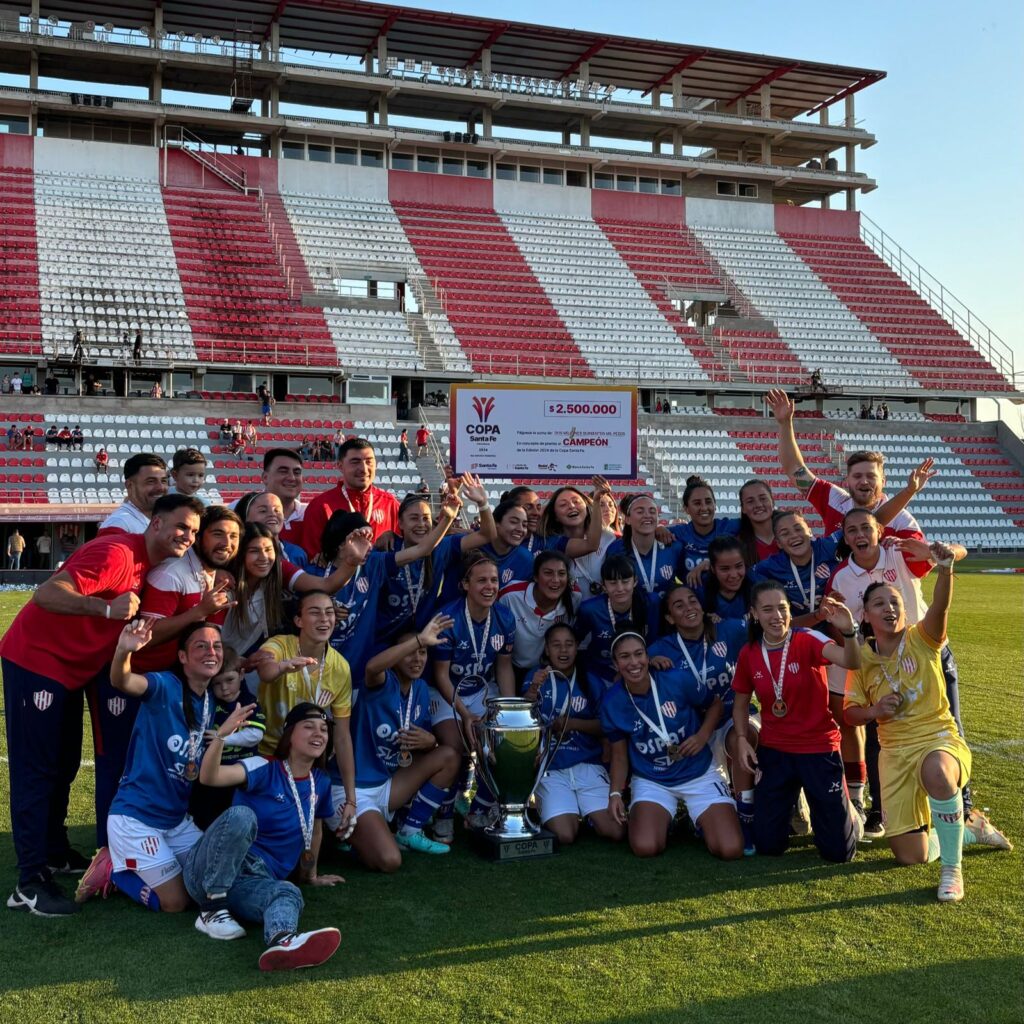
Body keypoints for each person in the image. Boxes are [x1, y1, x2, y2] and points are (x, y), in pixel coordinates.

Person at [2, 495, 202, 916]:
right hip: (37, 660)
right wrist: (104, 607)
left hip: (70, 670)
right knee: (36, 769)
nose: (188, 536)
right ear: (156, 523)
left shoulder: (147, 564)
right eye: (182, 526)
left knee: (63, 763)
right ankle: (30, 881)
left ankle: (53, 851)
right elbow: (47, 593)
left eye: (195, 531)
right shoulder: (117, 552)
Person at [845, 555, 1005, 903]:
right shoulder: (862, 660)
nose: (890, 607)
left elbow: (940, 606)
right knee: (910, 855)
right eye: (879, 603)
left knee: (938, 772)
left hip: (938, 738)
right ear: (866, 617)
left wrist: (946, 568)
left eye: (895, 602)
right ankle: (968, 831)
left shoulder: (923, 638)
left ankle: (952, 871)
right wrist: (874, 710)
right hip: (894, 753)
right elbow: (851, 715)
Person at [74, 620, 223, 915]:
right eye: (201, 646)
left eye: (216, 646)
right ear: (182, 657)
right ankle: (116, 871)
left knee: (210, 883)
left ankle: (132, 862)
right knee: (176, 902)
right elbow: (123, 680)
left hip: (176, 820)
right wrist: (123, 652)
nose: (211, 652)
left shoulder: (209, 699)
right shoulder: (165, 686)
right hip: (136, 819)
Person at [185, 702, 343, 970]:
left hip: (252, 881)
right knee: (242, 816)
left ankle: (283, 942)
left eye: (324, 729)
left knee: (287, 891)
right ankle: (211, 910)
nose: (319, 734)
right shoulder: (264, 767)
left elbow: (315, 830)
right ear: (289, 734)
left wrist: (311, 875)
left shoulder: (322, 782)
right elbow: (210, 777)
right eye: (309, 727)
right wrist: (223, 734)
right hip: (212, 866)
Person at [731, 582, 864, 862]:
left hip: (818, 748)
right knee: (768, 845)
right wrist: (742, 739)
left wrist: (849, 631)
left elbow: (852, 662)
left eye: (782, 608)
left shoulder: (807, 639)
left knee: (838, 853)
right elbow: (741, 702)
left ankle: (848, 812)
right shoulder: (750, 653)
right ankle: (803, 805)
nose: (776, 616)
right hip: (776, 751)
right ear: (755, 614)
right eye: (767, 610)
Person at [601, 632, 744, 860]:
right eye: (625, 657)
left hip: (698, 772)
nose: (634, 662)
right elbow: (619, 756)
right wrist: (615, 793)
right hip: (652, 779)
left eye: (639, 654)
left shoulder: (676, 678)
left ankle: (697, 822)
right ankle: (664, 820)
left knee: (730, 849)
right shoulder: (611, 702)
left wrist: (701, 735)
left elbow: (715, 704)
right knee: (645, 847)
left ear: (648, 657)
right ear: (615, 664)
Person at [350, 615, 462, 868]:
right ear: (396, 655)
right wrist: (419, 639)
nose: (417, 658)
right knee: (390, 860)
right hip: (356, 789)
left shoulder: (421, 689)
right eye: (411, 652)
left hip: (389, 784)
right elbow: (372, 668)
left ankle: (410, 831)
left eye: (422, 652)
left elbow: (416, 742)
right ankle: (355, 832)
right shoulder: (381, 681)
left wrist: (430, 740)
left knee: (448, 755)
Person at [648, 584, 753, 851]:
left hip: (731, 716)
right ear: (670, 618)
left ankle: (746, 811)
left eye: (692, 601)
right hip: (692, 730)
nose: (689, 608)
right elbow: (627, 673)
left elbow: (773, 625)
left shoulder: (728, 630)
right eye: (679, 605)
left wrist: (819, 617)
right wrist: (648, 664)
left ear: (703, 606)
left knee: (744, 736)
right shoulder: (661, 648)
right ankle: (696, 816)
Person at [255, 591, 357, 844]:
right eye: (314, 612)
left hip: (307, 764)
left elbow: (342, 737)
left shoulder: (340, 667)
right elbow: (265, 671)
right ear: (299, 621)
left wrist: (351, 798)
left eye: (329, 612)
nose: (324, 618)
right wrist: (282, 666)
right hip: (267, 756)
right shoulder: (280, 644)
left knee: (310, 838)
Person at [767, 388, 934, 538]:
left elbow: (924, 559)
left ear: (883, 481)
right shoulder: (834, 499)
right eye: (857, 476)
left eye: (871, 476)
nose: (864, 481)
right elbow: (794, 469)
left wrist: (956, 550)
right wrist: (785, 424)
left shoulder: (902, 520)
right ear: (847, 480)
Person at [431, 552, 517, 835]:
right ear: (465, 584)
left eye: (493, 580)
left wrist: (509, 710)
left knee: (504, 741)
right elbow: (441, 675)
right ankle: (443, 812)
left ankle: (479, 809)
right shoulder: (449, 618)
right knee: (455, 745)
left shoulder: (504, 616)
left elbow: (504, 667)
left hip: (481, 689)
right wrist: (464, 714)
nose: (489, 586)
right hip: (446, 692)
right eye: (481, 581)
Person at [520, 624, 624, 846]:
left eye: (569, 644)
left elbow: (605, 725)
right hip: (552, 768)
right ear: (546, 650)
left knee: (615, 831)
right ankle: (569, 810)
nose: (563, 651)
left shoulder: (591, 681)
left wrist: (573, 724)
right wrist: (531, 692)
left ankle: (589, 815)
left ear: (577, 648)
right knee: (565, 835)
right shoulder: (535, 677)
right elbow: (520, 724)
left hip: (587, 764)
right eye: (556, 645)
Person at [376, 477, 495, 644]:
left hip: (425, 640)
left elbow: (487, 535)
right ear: (400, 523)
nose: (421, 524)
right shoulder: (387, 548)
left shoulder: (441, 547)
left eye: (426, 518)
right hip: (384, 639)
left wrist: (482, 502)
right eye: (414, 518)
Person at [133, 505, 242, 673]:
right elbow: (146, 636)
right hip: (141, 676)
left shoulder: (216, 575)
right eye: (217, 534)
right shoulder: (170, 574)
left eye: (233, 536)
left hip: (177, 675)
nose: (227, 543)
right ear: (197, 538)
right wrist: (199, 611)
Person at [188, 645, 267, 829]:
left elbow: (255, 734)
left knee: (235, 823)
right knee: (205, 821)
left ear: (241, 674)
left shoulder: (249, 701)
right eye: (217, 683)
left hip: (239, 777)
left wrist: (221, 737)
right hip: (210, 775)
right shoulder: (210, 702)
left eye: (229, 680)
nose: (224, 688)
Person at [301, 437, 400, 554]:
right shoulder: (320, 506)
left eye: (369, 461)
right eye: (355, 462)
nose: (364, 469)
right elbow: (312, 558)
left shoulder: (390, 503)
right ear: (340, 466)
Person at [574, 554, 660, 685]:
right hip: (602, 671)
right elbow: (575, 643)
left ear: (635, 581)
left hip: (641, 666)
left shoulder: (650, 603)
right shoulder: (590, 610)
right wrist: (611, 675)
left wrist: (652, 658)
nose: (620, 589)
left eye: (625, 582)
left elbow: (655, 639)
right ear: (603, 585)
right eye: (613, 583)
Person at [500, 550, 580, 676]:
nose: (556, 580)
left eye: (561, 573)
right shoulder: (511, 595)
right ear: (535, 577)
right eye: (548, 573)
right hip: (510, 668)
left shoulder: (574, 597)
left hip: (549, 671)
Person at [536, 476, 616, 596]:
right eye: (563, 505)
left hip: (599, 613)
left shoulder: (609, 539)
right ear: (555, 516)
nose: (572, 506)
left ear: (586, 506)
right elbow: (591, 545)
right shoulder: (550, 543)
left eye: (576, 501)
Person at [668, 476, 741, 585]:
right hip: (692, 598)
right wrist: (659, 530)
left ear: (715, 505)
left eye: (708, 502)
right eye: (697, 503)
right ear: (686, 509)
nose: (704, 507)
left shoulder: (729, 526)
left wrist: (711, 563)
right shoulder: (680, 532)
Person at [605, 494, 684, 595]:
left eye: (652, 511)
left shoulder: (673, 547)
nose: (647, 515)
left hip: (666, 610)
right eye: (640, 511)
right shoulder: (615, 550)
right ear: (628, 519)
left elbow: (687, 583)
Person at [97, 453, 169, 535]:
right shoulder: (118, 524)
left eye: (163, 481)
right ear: (129, 485)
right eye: (151, 481)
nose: (160, 487)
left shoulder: (164, 519)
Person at [477, 499, 534, 594]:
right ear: (495, 523)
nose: (520, 529)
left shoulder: (526, 559)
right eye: (513, 522)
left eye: (524, 525)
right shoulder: (472, 548)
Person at [254, 448, 306, 547]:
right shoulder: (241, 510)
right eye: (283, 471)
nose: (291, 478)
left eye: (297, 472)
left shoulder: (311, 514)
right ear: (265, 477)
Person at [700, 536, 752, 623]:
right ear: (712, 568)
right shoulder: (699, 590)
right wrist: (704, 619)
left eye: (739, 566)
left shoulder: (756, 586)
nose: (734, 575)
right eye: (725, 569)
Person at [737, 479, 778, 564]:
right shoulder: (738, 546)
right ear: (743, 508)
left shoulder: (790, 536)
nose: (758, 505)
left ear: (772, 502)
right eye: (750, 501)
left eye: (763, 498)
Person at [502, 485, 544, 556]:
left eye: (538, 508)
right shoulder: (490, 540)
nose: (536, 513)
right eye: (528, 507)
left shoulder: (546, 541)